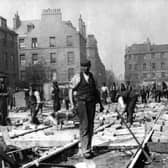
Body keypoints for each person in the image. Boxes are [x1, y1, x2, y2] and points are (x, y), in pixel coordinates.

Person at [69, 59, 104, 159]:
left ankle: (88, 147)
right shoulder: (77, 77)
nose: (86, 68)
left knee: (91, 126)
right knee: (84, 125)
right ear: (81, 67)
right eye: (84, 66)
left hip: (91, 103)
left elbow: (96, 92)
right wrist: (72, 105)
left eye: (87, 66)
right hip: (82, 103)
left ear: (90, 66)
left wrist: (101, 104)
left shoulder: (92, 77)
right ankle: (85, 150)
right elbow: (71, 90)